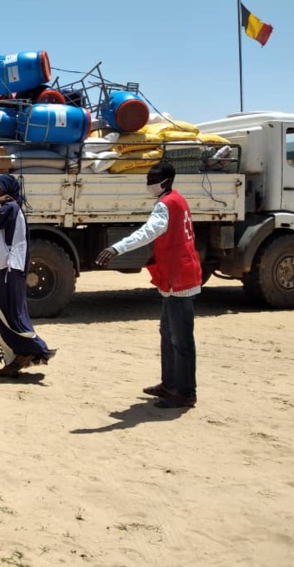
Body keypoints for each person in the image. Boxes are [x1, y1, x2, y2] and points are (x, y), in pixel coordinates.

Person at [95, 162, 201, 409]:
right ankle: (170, 384)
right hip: (175, 275)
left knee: (181, 338)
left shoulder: (166, 205)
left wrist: (116, 248)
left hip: (179, 278)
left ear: (165, 182)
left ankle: (186, 392)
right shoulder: (176, 200)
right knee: (167, 333)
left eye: (152, 178)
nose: (148, 182)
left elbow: (147, 232)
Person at [0, 174, 54, 377]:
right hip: (6, 269)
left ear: (8, 191)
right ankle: (16, 358)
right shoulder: (11, 210)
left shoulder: (9, 208)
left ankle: (34, 349)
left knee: (3, 316)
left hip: (7, 270)